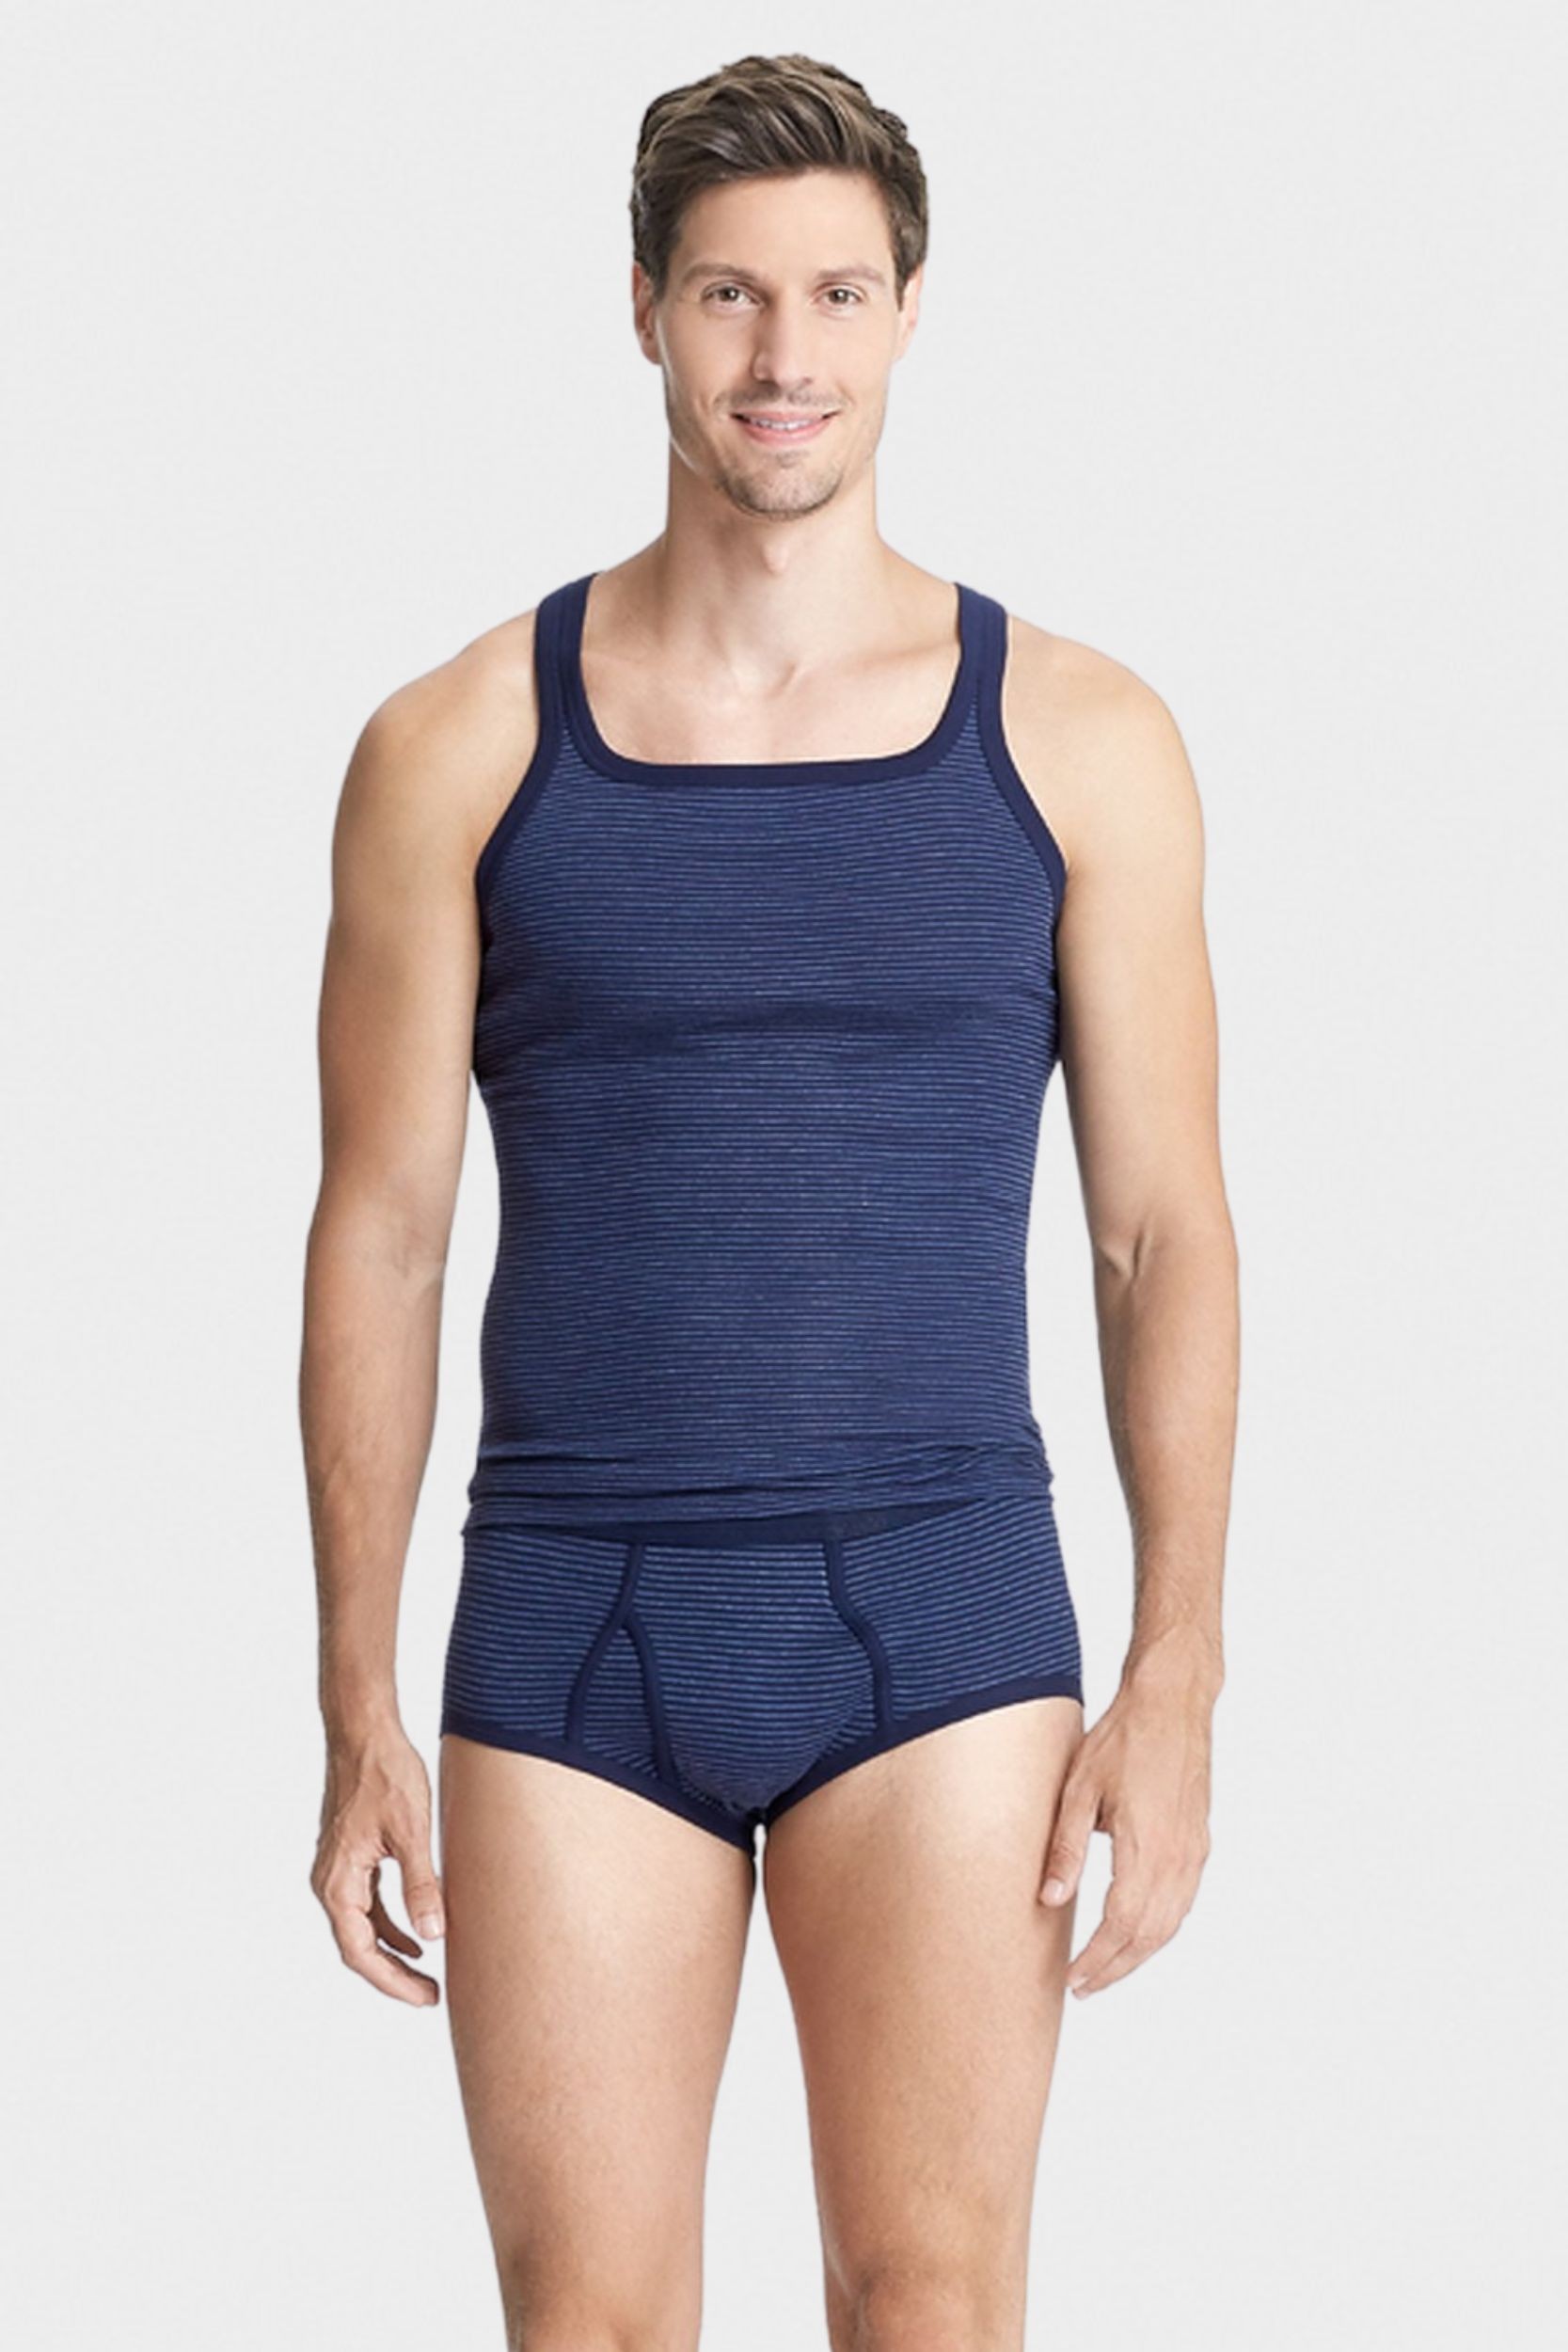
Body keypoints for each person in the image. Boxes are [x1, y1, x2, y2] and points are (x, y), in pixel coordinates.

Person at [302, 50, 1237, 2351]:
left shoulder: (1082, 737)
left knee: (929, 2303)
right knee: (591, 2326)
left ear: (911, 312)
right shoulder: (456, 743)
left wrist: (1181, 1663)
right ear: (643, 308)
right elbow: (381, 1234)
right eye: (729, 293)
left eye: (834, 293)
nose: (783, 355)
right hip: (573, 1612)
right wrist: (350, 1691)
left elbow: (1159, 1234)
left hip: (941, 1605)